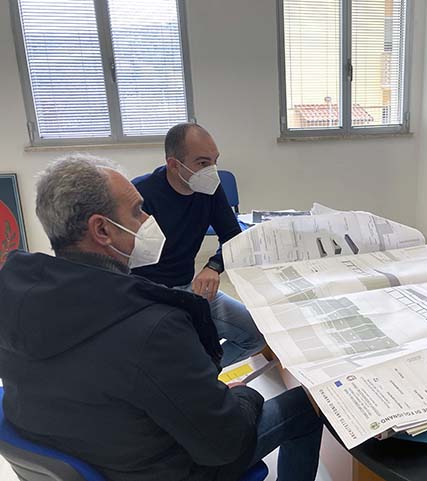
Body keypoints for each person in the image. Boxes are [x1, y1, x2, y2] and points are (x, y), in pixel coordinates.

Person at [0, 154, 322, 481]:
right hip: (158, 469)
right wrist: (243, 396)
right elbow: (226, 443)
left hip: (86, 447)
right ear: (102, 229)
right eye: (138, 211)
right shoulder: (154, 327)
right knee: (307, 407)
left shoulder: (15, 298)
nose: (148, 220)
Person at [132, 123, 265, 367]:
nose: (212, 171)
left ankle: (201, 374)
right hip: (148, 296)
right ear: (174, 165)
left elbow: (233, 237)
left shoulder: (209, 188)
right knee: (171, 352)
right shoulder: (140, 194)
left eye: (215, 161)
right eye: (203, 163)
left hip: (190, 289)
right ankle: (188, 375)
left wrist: (213, 266)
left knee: (256, 336)